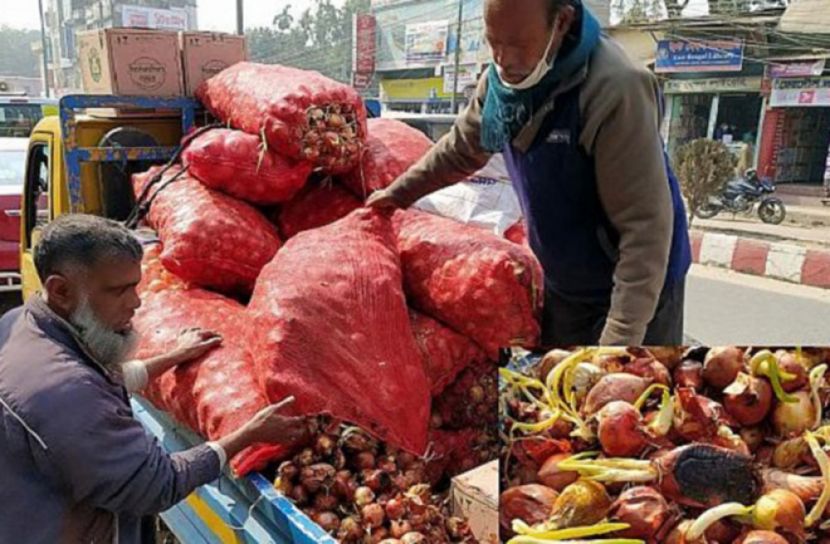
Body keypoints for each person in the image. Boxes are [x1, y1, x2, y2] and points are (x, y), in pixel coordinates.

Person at [368, 0, 691, 345]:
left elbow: (645, 230)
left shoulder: (614, 88)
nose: (504, 60)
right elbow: (461, 149)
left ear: (562, 22)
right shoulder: (501, 84)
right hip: (565, 282)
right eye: (495, 43)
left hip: (638, 287)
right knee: (550, 387)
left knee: (621, 385)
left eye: (518, 45)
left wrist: (620, 340)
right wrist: (396, 194)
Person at [0, 214, 309, 543]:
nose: (135, 302)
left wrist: (172, 357)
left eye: (135, 286)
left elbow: (102, 380)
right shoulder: (67, 392)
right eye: (119, 290)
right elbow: (157, 485)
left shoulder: (20, 323)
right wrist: (247, 435)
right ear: (60, 290)